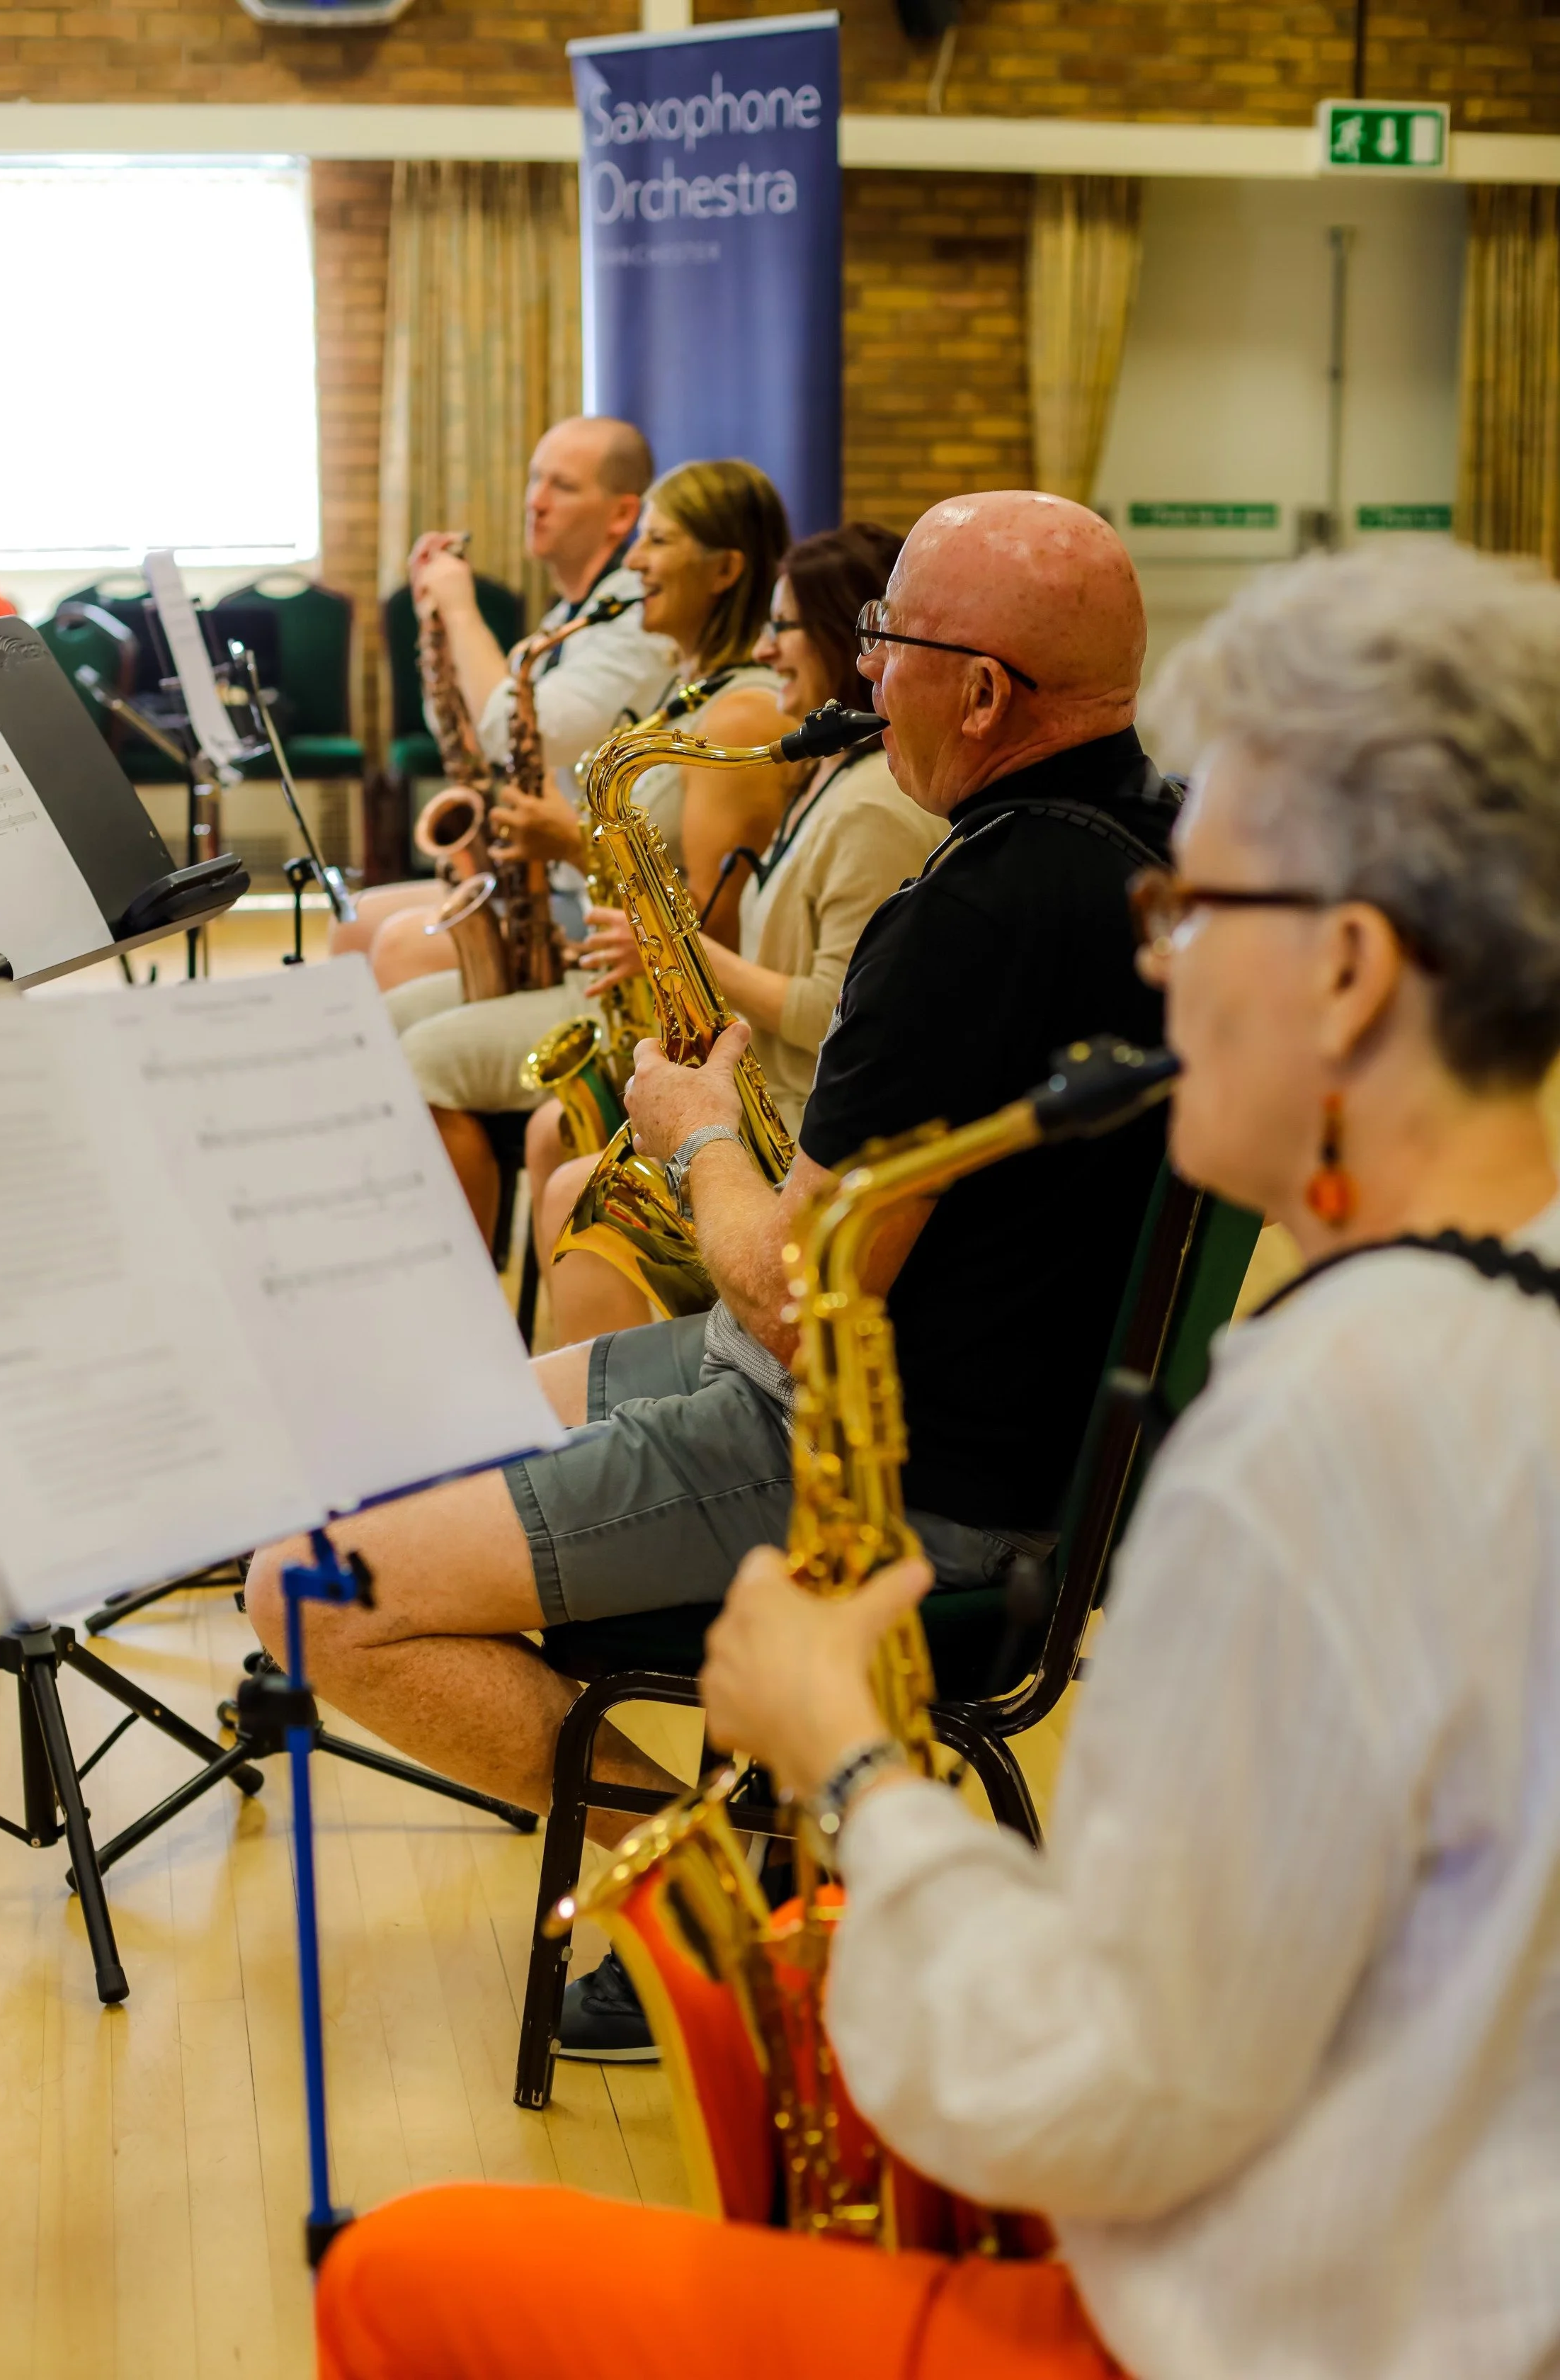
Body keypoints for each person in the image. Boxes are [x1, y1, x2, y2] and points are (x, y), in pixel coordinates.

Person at [314, 538, 1560, 2379]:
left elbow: (1088, 2101)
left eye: (1196, 916)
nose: (1161, 959)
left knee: (397, 2280)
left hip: (1279, 2325)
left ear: (1354, 973)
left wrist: (854, 1769)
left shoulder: (1321, 1432)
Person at [245, 490, 1172, 2060]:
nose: (862, 678)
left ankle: (726, 1921)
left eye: (888, 645)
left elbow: (791, 1297)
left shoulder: (969, 915)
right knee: (407, 1422)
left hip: (876, 1466)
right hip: (976, 1429)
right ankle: (734, 1864)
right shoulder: (1158, 846)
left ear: (986, 690)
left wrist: (686, 1131)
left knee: (302, 1586)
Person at [528, 518, 944, 1345]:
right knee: (564, 1157)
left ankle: (629, 1426)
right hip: (776, 1099)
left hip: (798, 1131)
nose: (764, 647)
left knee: (575, 1187)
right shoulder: (828, 781)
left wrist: (682, 951)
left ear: (841, 633)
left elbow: (831, 1009)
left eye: (782, 626)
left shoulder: (870, 810)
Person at [392, 455, 799, 1245]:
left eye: (659, 541)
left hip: (655, 1011)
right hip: (606, 973)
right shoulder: (681, 691)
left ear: (725, 569)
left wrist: (571, 845)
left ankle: (467, 1311)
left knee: (418, 1060)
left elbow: (717, 936)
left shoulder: (737, 717)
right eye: (638, 539)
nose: (635, 563)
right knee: (382, 1018)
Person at [332, 413, 673, 992]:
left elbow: (518, 735)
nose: (535, 501)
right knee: (355, 920)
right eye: (535, 479)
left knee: (398, 945)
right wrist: (435, 627)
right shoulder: (568, 614)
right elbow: (466, 735)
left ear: (623, 513)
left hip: (597, 895)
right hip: (540, 877)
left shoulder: (635, 617)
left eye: (562, 486)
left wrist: (463, 611)